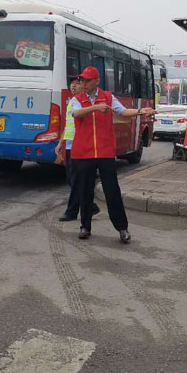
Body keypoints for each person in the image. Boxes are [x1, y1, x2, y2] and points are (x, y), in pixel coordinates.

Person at [71, 67, 155, 242]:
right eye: (82, 81)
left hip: (105, 151)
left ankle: (122, 228)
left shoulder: (108, 97)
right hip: (83, 153)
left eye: (87, 81)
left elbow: (123, 112)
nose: (83, 84)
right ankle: (85, 226)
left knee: (112, 191)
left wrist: (141, 111)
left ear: (97, 81)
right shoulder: (76, 99)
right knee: (84, 191)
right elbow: (76, 113)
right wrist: (95, 107)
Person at [55, 78, 100, 222]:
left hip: (79, 146)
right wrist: (61, 142)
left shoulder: (84, 105)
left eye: (77, 83)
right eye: (72, 83)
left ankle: (72, 212)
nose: (73, 86)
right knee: (72, 180)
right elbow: (68, 125)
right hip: (70, 145)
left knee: (75, 180)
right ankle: (90, 207)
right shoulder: (72, 103)